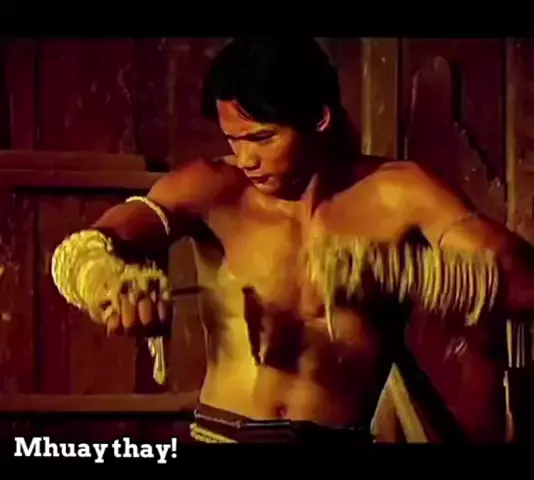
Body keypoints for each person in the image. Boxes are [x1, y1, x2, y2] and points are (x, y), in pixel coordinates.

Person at [51, 37, 534, 443]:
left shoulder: (400, 193)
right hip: (224, 438)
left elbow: (523, 284)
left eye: (262, 138)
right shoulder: (215, 189)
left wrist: (402, 271)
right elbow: (95, 243)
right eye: (234, 140)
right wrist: (110, 282)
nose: (246, 159)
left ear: (320, 118)